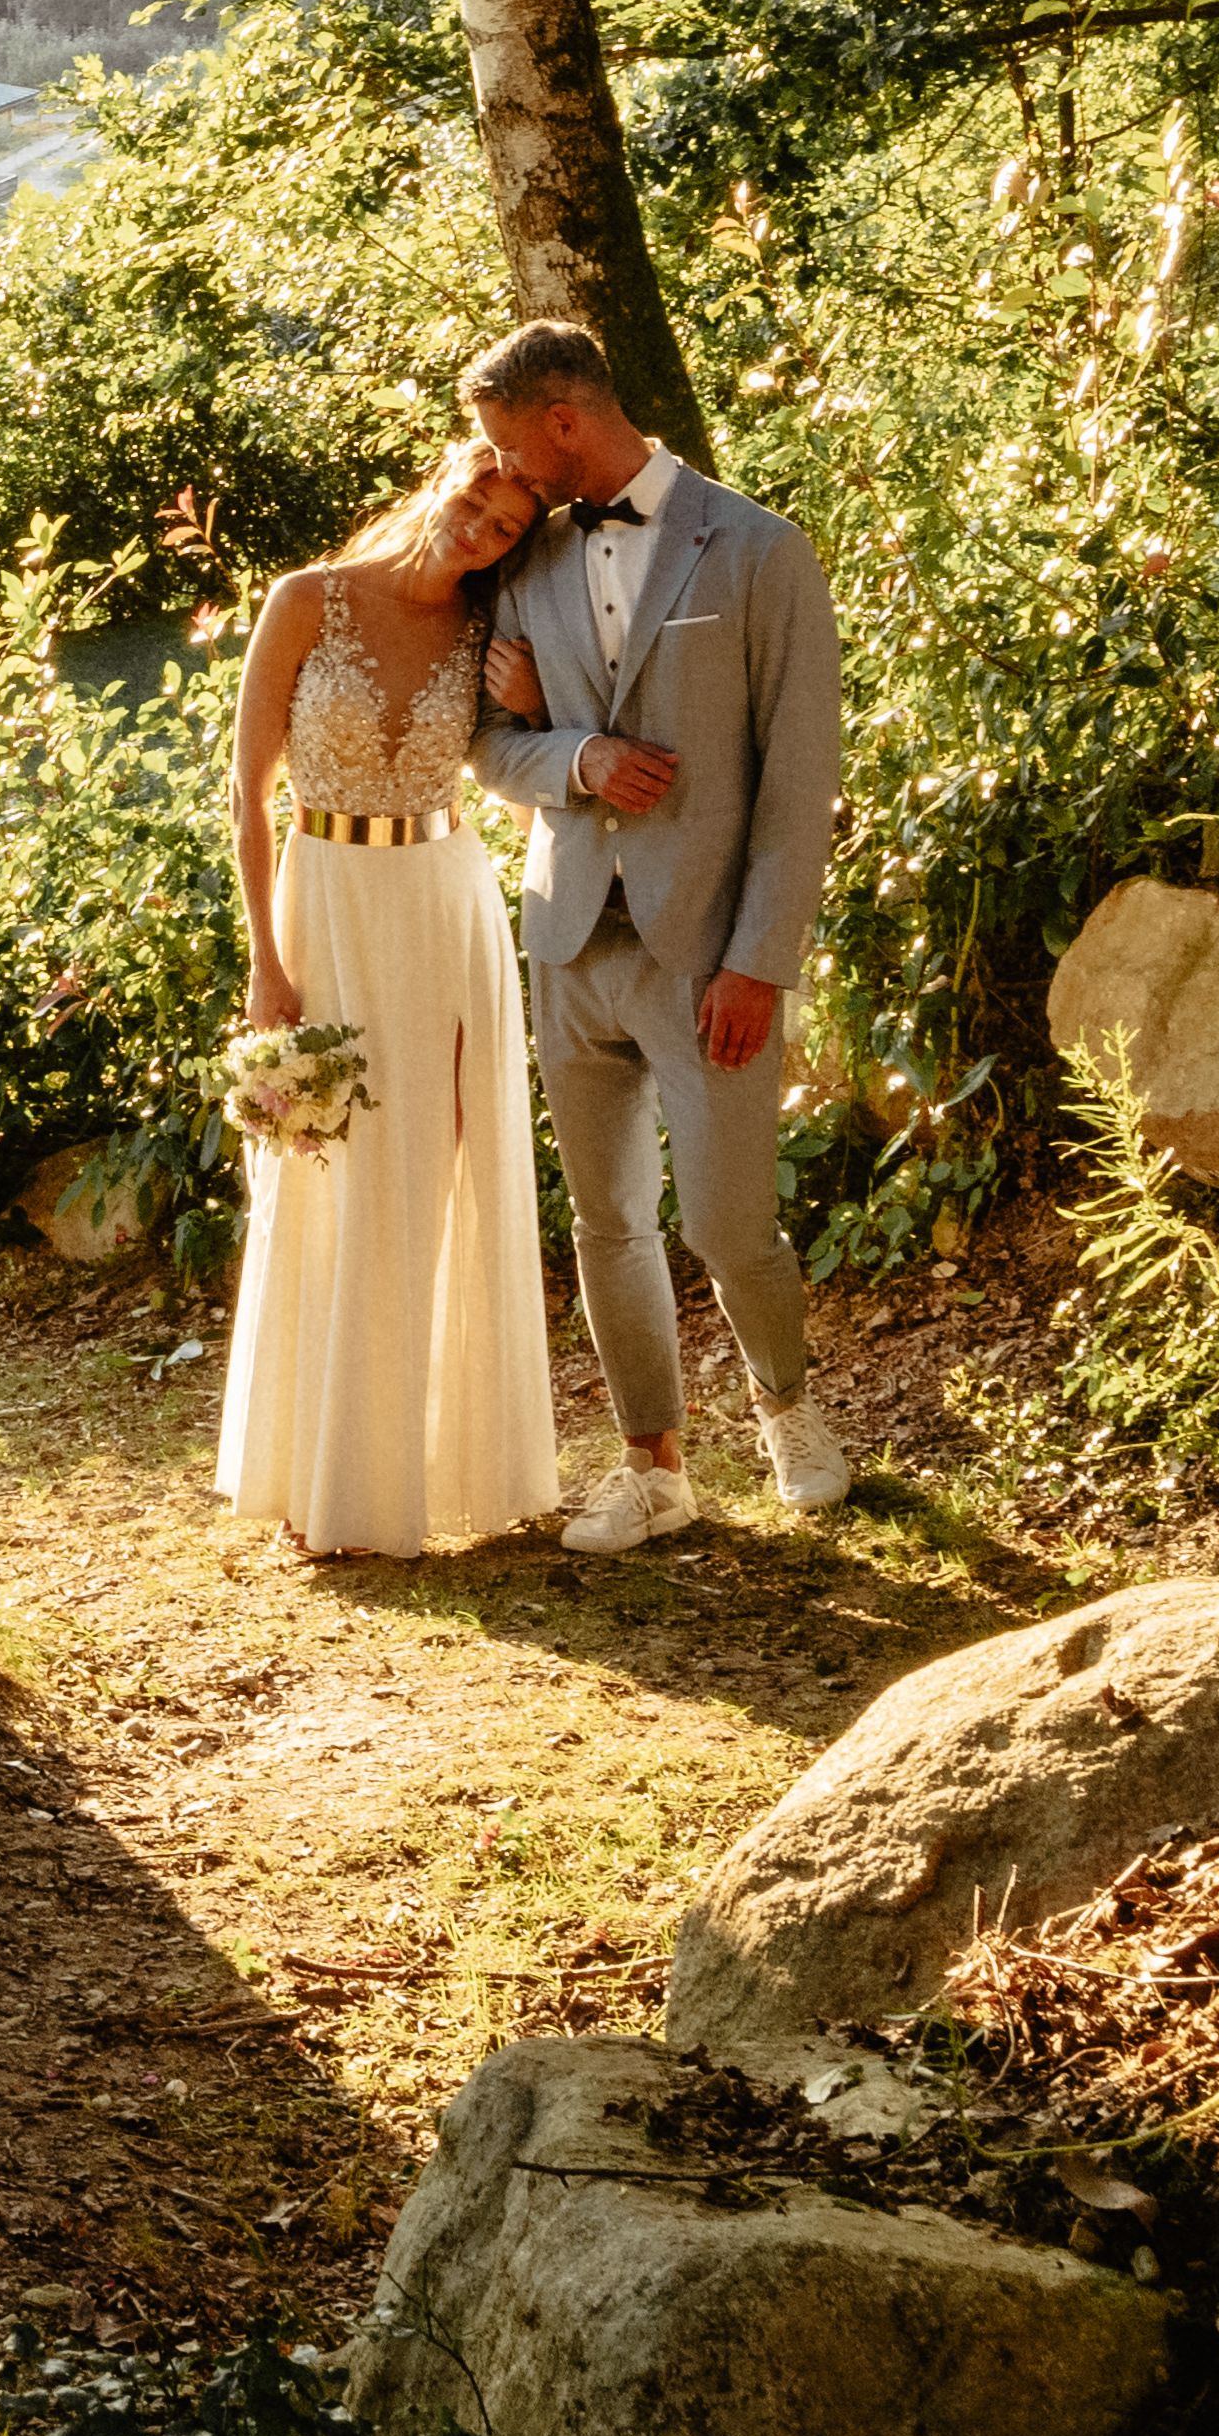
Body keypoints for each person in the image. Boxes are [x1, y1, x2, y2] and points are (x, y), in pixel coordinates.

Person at [460, 319, 854, 1545]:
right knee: (606, 1219)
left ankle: (787, 1409)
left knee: (728, 1220)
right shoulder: (518, 566)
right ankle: (653, 1465)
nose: (506, 473)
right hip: (568, 938)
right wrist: (574, 754)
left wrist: (758, 961)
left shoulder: (758, 548)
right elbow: (483, 743)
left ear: (565, 419)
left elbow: (800, 784)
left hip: (707, 954)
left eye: (512, 447)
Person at [208, 439, 557, 1561]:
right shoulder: (306, 601)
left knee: (442, 1164)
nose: (479, 532)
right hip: (326, 901)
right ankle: (326, 1483)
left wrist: (534, 698)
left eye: (504, 528)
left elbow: (519, 776)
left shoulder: (488, 632)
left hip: (445, 900)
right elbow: (247, 796)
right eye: (472, 504)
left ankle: (439, 1469)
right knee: (335, 1173)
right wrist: (266, 960)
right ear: (441, 483)